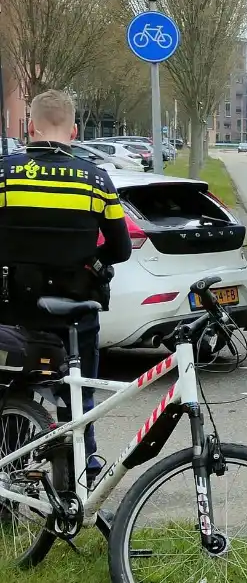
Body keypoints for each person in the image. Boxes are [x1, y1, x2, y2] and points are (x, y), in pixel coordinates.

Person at [0, 89, 132, 487]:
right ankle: (83, 467)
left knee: (10, 386)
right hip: (76, 307)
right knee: (79, 395)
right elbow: (121, 249)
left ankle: (11, 467)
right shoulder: (96, 178)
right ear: (74, 130)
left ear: (29, 127)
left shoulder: (4, 173)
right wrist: (87, 259)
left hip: (14, 306)